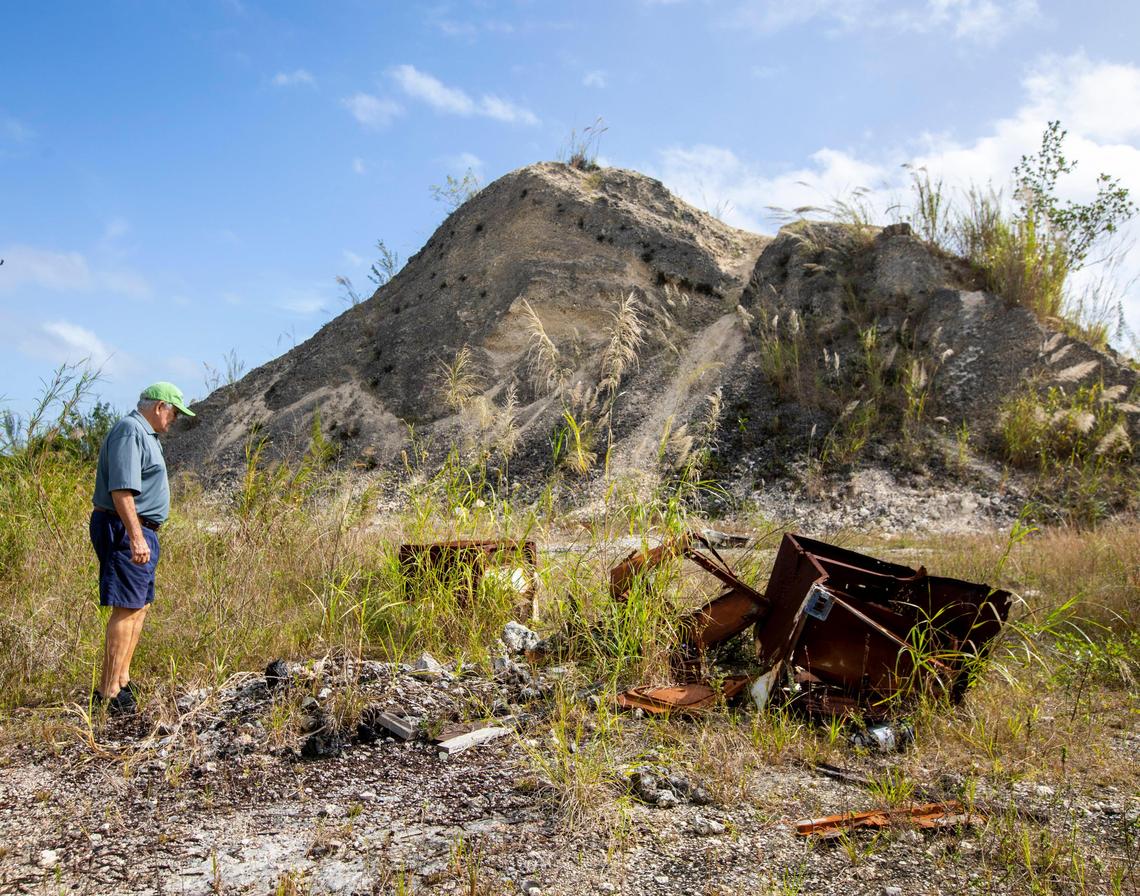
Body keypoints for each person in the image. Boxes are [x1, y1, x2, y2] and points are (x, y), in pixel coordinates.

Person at [89, 382, 195, 714]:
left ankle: (121, 680)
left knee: (139, 606)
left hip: (141, 530)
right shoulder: (129, 431)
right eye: (174, 413)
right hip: (125, 528)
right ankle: (107, 692)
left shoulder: (146, 435)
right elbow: (121, 489)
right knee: (126, 605)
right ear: (160, 406)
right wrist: (135, 536)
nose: (174, 419)